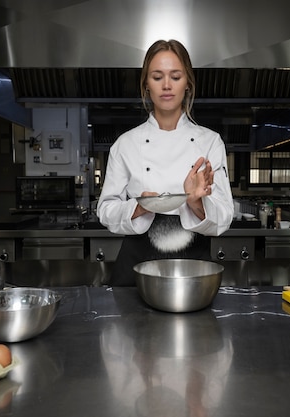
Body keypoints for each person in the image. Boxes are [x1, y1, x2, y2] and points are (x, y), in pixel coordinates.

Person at [97, 39, 234, 286]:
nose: (167, 85)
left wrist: (196, 203)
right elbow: (105, 211)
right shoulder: (125, 144)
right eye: (157, 77)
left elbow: (224, 217)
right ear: (146, 85)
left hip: (193, 269)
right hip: (135, 269)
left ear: (188, 84)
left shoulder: (210, 142)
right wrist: (141, 207)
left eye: (176, 76)